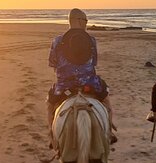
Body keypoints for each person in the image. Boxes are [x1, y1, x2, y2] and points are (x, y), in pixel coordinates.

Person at [47, 8, 117, 144]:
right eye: (86, 20)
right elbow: (94, 62)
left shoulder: (57, 41)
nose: (86, 23)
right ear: (78, 21)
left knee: (50, 105)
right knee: (106, 100)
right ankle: (109, 132)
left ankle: (52, 137)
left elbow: (53, 63)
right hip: (90, 84)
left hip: (64, 86)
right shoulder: (91, 40)